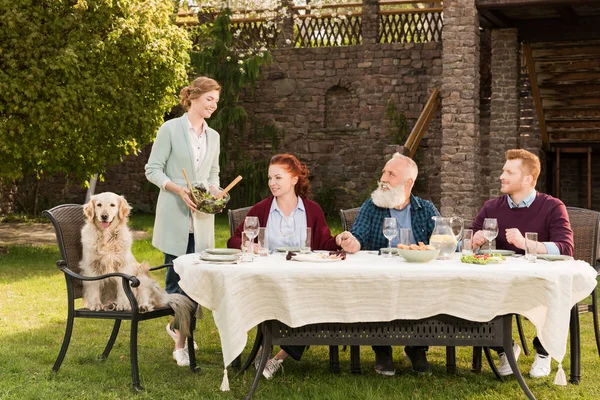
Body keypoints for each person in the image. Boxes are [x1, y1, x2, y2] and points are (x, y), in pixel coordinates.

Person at [227, 153, 340, 379]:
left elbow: (324, 245)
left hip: (304, 281)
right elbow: (234, 240)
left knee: (318, 305)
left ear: (295, 180)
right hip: (269, 281)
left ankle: (276, 357)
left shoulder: (312, 211)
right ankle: (265, 348)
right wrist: (248, 244)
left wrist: (338, 241)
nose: (272, 183)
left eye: (278, 178)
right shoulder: (261, 210)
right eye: (270, 178)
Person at [471, 148, 574, 378]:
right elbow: (466, 243)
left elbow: (566, 248)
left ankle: (543, 350)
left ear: (527, 179)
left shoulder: (552, 206)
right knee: (469, 289)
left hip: (537, 281)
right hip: (499, 282)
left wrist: (527, 243)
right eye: (503, 170)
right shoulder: (491, 207)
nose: (501, 176)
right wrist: (473, 242)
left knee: (553, 290)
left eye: (509, 171)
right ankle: (504, 349)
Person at [337, 152, 440, 376]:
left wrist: (449, 241)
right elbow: (358, 236)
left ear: (408, 182)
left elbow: (444, 241)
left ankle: (417, 349)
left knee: (426, 290)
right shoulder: (372, 206)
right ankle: (382, 349)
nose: (383, 178)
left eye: (391, 174)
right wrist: (351, 242)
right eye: (384, 172)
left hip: (418, 279)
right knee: (379, 288)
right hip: (381, 279)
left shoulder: (426, 209)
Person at [145, 76, 221, 367]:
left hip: (202, 219)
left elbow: (213, 174)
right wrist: (177, 188)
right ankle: (181, 343)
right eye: (209, 100)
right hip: (175, 216)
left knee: (197, 282)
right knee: (176, 282)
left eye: (216, 101)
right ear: (193, 98)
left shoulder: (213, 136)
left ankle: (179, 330)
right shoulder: (171, 129)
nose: (213, 106)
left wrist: (215, 192)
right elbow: (153, 169)